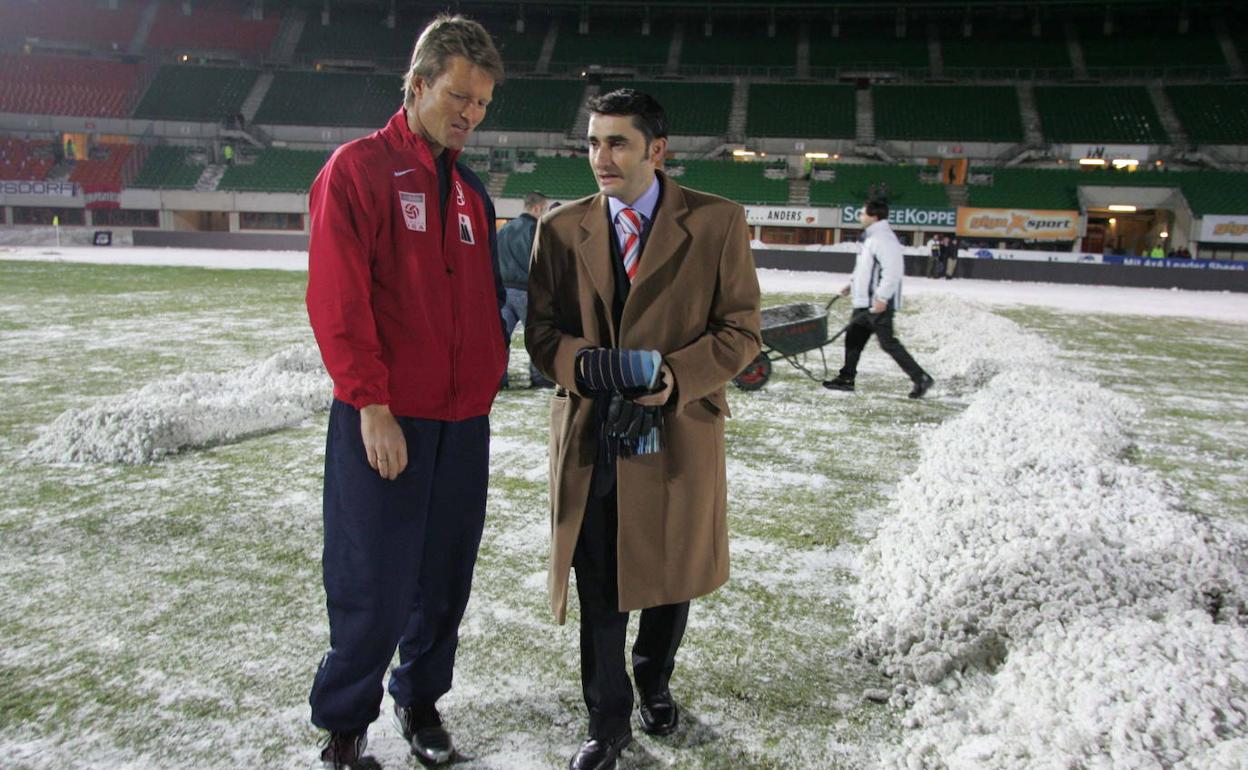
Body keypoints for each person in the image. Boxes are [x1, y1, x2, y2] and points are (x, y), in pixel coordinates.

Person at [526, 89, 762, 770]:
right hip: (594, 432)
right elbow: (540, 334)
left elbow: (741, 330)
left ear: (658, 151)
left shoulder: (718, 223)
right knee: (598, 579)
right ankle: (608, 721)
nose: (601, 157)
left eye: (617, 143)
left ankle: (654, 681)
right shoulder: (562, 228)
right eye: (594, 143)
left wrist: (675, 378)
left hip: (677, 433)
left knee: (671, 573)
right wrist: (586, 364)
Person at [304, 14, 506, 770]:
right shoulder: (356, 170)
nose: (471, 115)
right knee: (375, 584)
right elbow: (338, 299)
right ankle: (346, 727)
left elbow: (483, 298)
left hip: (463, 421)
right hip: (386, 417)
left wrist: (488, 368)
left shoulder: (472, 194)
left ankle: (421, 701)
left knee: (445, 579)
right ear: (418, 86)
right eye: (459, 96)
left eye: (482, 103)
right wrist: (371, 403)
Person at [823, 190, 934, 399]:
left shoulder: (884, 239)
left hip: (876, 304)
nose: (860, 217)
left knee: (888, 343)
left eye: (862, 213)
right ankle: (846, 378)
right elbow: (866, 269)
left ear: (874, 216)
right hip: (865, 302)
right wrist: (851, 285)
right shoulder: (873, 238)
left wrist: (882, 297)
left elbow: (892, 271)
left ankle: (921, 378)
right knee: (853, 339)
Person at [496, 190, 554, 388]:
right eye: (544, 209)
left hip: (503, 292)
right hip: (526, 292)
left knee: (500, 339)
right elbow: (541, 263)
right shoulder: (536, 230)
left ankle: (499, 379)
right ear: (537, 208)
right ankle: (539, 378)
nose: (545, 213)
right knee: (537, 336)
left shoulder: (504, 229)